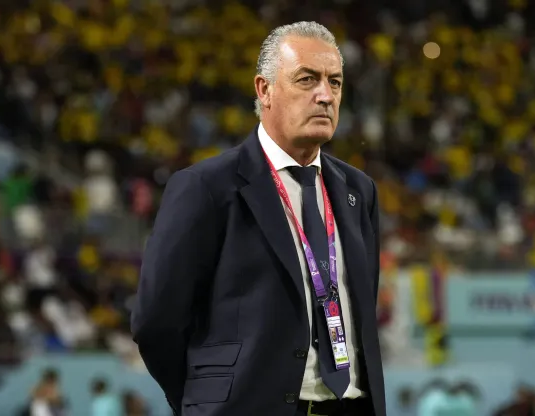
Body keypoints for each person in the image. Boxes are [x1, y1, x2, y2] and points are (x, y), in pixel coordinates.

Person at [131, 21, 385, 416]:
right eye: (307, 79)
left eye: (334, 82)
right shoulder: (206, 187)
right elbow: (156, 321)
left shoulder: (359, 191)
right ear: (264, 90)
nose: (325, 95)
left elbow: (362, 313)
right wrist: (207, 401)